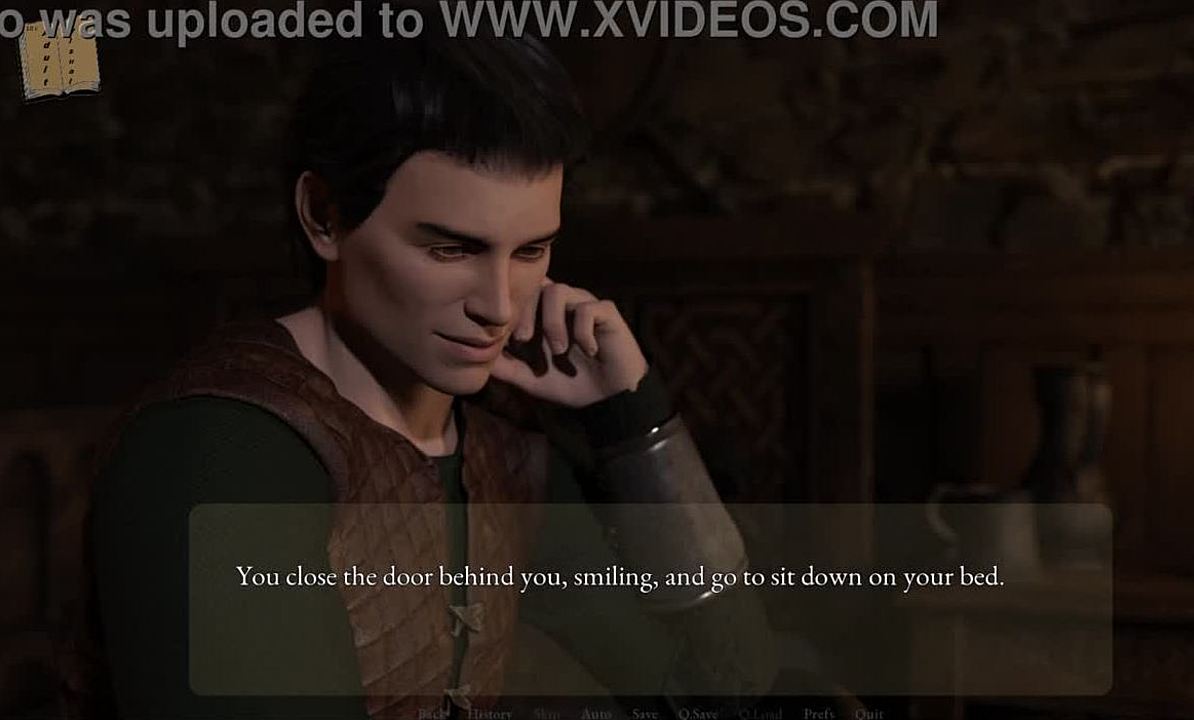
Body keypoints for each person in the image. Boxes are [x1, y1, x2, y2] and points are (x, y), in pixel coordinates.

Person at [84, 11, 777, 720]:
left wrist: (632, 418)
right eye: (451, 249)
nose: (499, 305)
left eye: (531, 251)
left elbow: (725, 690)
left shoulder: (500, 464)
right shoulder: (216, 449)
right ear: (324, 216)